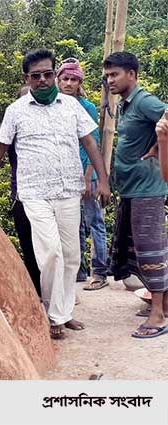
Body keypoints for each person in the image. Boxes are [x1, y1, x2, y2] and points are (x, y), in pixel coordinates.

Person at [0, 49, 111, 340]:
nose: (43, 80)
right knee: (51, 254)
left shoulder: (71, 107)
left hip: (69, 190)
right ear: (27, 78)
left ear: (54, 74)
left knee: (71, 256)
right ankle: (53, 315)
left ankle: (64, 311)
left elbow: (90, 143)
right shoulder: (16, 110)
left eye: (48, 74)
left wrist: (103, 181)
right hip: (34, 193)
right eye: (36, 76)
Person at [103, 52, 168, 338]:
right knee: (138, 250)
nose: (110, 80)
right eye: (107, 76)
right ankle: (162, 305)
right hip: (133, 190)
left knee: (150, 250)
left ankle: (158, 316)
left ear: (132, 74)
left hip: (148, 190)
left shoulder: (145, 101)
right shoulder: (128, 106)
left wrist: (159, 146)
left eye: (114, 74)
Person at [56, 58, 110, 290]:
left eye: (73, 79)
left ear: (80, 82)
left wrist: (89, 177)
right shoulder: (55, 106)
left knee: (94, 221)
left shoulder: (86, 107)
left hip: (87, 173)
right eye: (65, 79)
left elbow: (92, 143)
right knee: (72, 223)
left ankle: (100, 272)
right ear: (58, 80)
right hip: (65, 175)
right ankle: (78, 270)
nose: (68, 83)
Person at [8, 85, 41, 298]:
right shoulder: (11, 129)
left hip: (47, 196)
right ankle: (37, 293)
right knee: (29, 248)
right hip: (21, 196)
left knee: (51, 251)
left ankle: (55, 296)